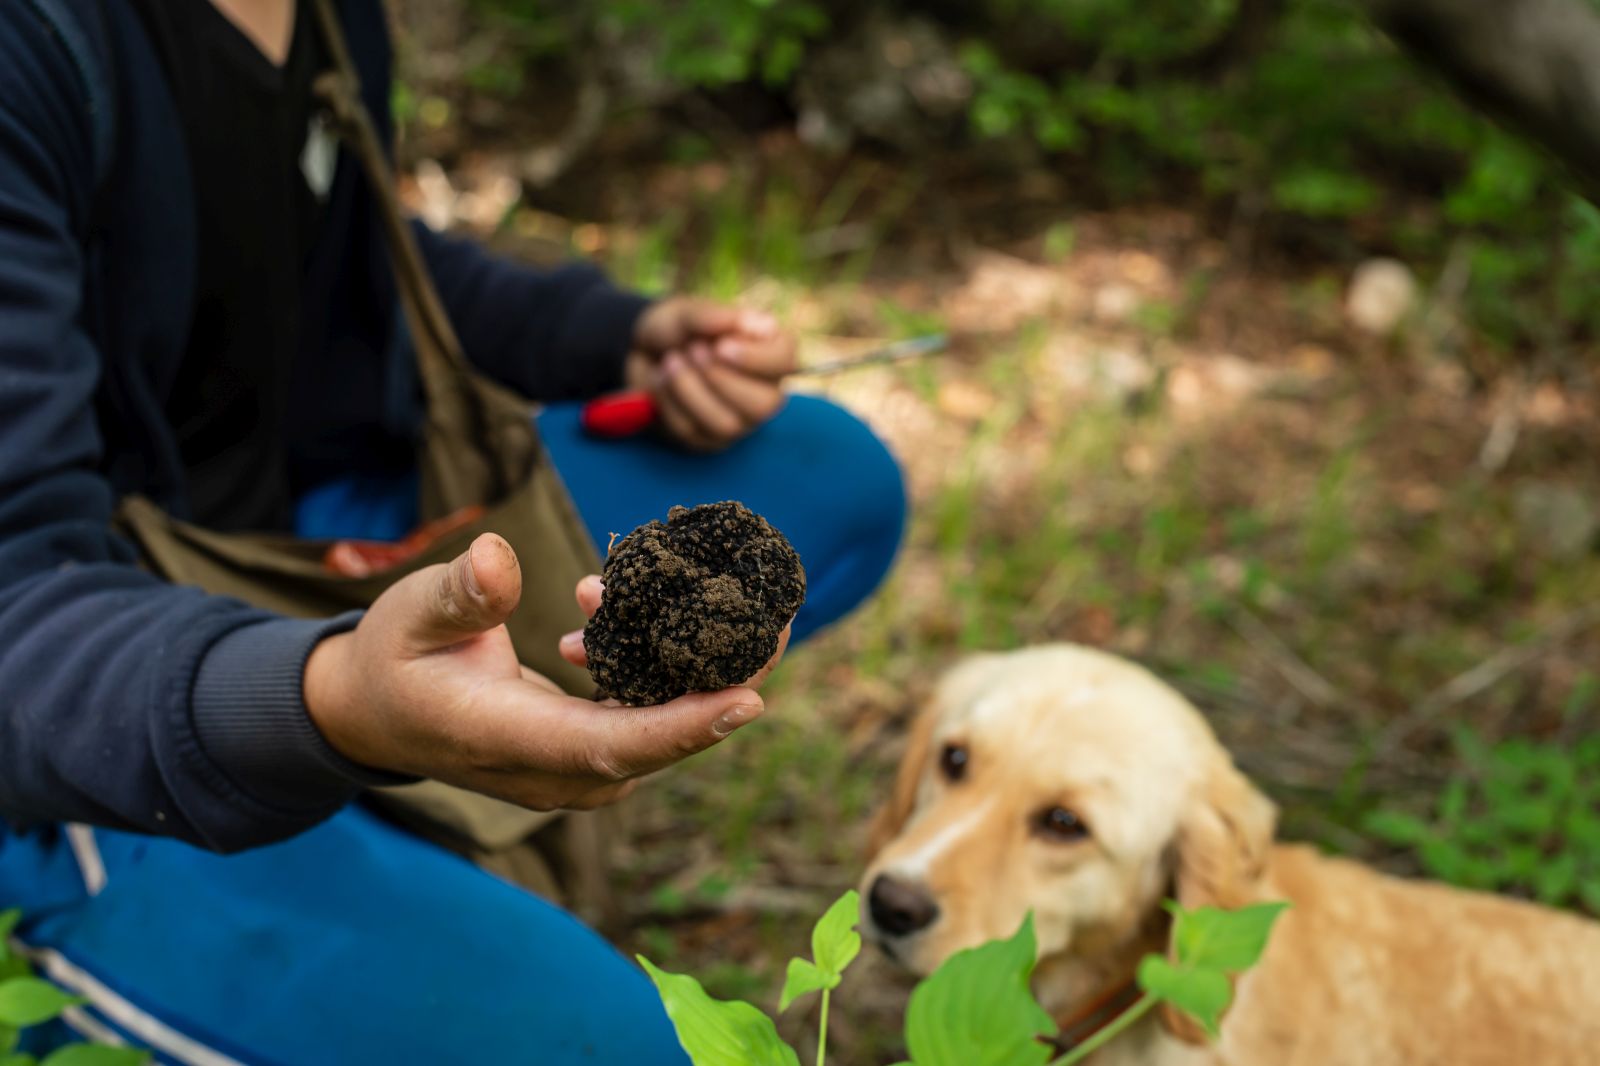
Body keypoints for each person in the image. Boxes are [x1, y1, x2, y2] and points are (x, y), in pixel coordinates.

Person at [0, 0, 906, 1061]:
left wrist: (607, 336)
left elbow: (340, 248)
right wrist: (331, 701)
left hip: (311, 540)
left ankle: (392, 805)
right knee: (626, 1050)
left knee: (825, 474)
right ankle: (208, 877)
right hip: (82, 702)